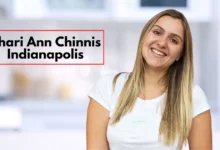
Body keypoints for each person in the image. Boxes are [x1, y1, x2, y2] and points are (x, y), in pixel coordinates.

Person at [86, 9, 212, 150]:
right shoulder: (107, 88)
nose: (162, 43)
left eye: (174, 40)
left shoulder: (193, 96)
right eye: (157, 32)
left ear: (180, 54)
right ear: (144, 36)